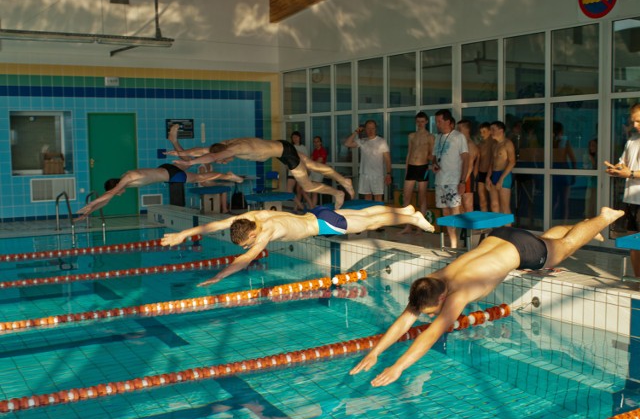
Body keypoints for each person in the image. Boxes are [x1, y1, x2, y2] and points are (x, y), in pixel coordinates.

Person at [350, 207, 624, 387]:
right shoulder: (431, 282)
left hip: (518, 248)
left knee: (566, 247)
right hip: (501, 237)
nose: (430, 314)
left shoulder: (458, 294)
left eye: (433, 311)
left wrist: (398, 367)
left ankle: (604, 217)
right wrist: (375, 353)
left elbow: (430, 335)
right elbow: (404, 321)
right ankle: (586, 225)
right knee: (547, 245)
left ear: (443, 296)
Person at [161, 205, 435, 286]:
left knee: (373, 223)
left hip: (323, 225)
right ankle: (406, 209)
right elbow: (213, 225)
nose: (249, 247)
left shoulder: (265, 231)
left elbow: (245, 260)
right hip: (317, 213)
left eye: (248, 243)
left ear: (253, 236)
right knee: (365, 215)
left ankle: (411, 217)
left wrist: (218, 276)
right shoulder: (250, 218)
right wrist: (183, 232)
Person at [76, 125, 244, 220]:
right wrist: (90, 212)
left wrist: (91, 204)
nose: (118, 194)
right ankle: (173, 140)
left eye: (117, 191)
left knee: (198, 178)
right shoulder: (126, 178)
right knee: (186, 160)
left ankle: (228, 175)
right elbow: (108, 198)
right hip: (166, 170)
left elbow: (109, 195)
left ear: (116, 186)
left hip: (170, 175)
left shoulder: (127, 179)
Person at [167, 137, 355, 210]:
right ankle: (343, 180)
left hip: (285, 154)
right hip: (282, 146)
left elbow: (209, 156)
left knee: (306, 184)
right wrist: (182, 153)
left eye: (222, 160)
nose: (224, 162)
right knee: (313, 165)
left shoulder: (233, 149)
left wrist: (189, 161)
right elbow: (203, 149)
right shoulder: (228, 143)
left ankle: (337, 192)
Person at [605, 103, 640, 276]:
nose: (635, 125)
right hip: (631, 201)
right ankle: (638, 281)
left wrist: (630, 173)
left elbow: (630, 170)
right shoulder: (631, 141)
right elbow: (623, 163)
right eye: (633, 121)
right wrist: (617, 168)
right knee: (633, 244)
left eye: (639, 121)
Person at [432, 109, 469, 248]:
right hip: (440, 180)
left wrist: (463, 181)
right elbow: (434, 156)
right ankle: (452, 242)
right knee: (445, 212)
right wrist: (434, 164)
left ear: (448, 121)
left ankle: (458, 242)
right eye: (436, 121)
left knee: (455, 211)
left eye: (440, 121)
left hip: (453, 180)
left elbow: (466, 159)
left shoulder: (459, 137)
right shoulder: (438, 137)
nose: (437, 124)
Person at [399, 112, 434, 235]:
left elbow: (432, 154)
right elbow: (409, 153)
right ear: (416, 122)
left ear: (426, 122)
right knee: (406, 197)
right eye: (418, 121)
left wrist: (433, 163)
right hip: (412, 168)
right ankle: (408, 226)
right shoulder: (411, 136)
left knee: (422, 198)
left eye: (422, 121)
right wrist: (406, 169)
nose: (420, 124)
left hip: (423, 167)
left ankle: (420, 227)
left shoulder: (430, 137)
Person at [344, 120, 392, 202]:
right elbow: (347, 144)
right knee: (367, 198)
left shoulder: (381, 141)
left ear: (375, 129)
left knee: (378, 198)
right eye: (368, 128)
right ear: (365, 129)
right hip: (365, 174)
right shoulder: (362, 141)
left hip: (377, 174)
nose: (370, 130)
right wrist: (356, 132)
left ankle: (378, 214)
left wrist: (388, 174)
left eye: (372, 128)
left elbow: (387, 159)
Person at [486, 121, 516, 215]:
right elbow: (492, 162)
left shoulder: (508, 143)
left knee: (504, 207)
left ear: (501, 130)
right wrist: (488, 177)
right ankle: (497, 229)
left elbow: (512, 162)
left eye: (493, 130)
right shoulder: (494, 145)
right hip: (494, 174)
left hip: (504, 175)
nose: (491, 132)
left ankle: (507, 229)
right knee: (494, 205)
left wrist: (501, 179)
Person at [551, 122, 577, 222]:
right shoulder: (563, 141)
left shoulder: (550, 141)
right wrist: (574, 175)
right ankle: (563, 222)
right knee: (563, 200)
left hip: (555, 170)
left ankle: (552, 220)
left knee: (553, 199)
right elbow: (573, 159)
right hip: (562, 170)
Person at [287, 131, 313, 212]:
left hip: (300, 172)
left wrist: (308, 171)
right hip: (292, 171)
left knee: (299, 190)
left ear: (299, 138)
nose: (295, 139)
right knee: (289, 191)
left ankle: (296, 208)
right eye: (293, 137)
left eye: (296, 137)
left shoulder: (303, 148)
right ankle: (301, 206)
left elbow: (306, 160)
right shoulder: (290, 147)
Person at [456, 119, 479, 213]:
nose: (457, 131)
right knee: (460, 204)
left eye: (459, 129)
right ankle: (463, 227)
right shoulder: (463, 144)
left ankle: (470, 227)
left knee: (467, 204)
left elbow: (470, 166)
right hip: (462, 177)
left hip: (467, 178)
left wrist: (463, 182)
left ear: (466, 129)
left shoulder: (470, 145)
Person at [476, 122, 494, 212]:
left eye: (484, 132)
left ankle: (494, 224)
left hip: (490, 173)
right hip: (481, 173)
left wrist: (489, 176)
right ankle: (485, 225)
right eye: (481, 132)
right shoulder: (480, 144)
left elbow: (493, 160)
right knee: (482, 200)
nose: (482, 134)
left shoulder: (493, 143)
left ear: (490, 131)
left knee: (493, 201)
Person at [310, 135, 328, 207]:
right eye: (314, 142)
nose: (316, 143)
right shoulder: (314, 151)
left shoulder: (323, 151)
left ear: (320, 142)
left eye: (317, 141)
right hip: (312, 171)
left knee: (314, 192)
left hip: (319, 172)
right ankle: (311, 206)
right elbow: (309, 161)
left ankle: (312, 209)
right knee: (306, 190)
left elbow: (318, 162)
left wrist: (311, 163)